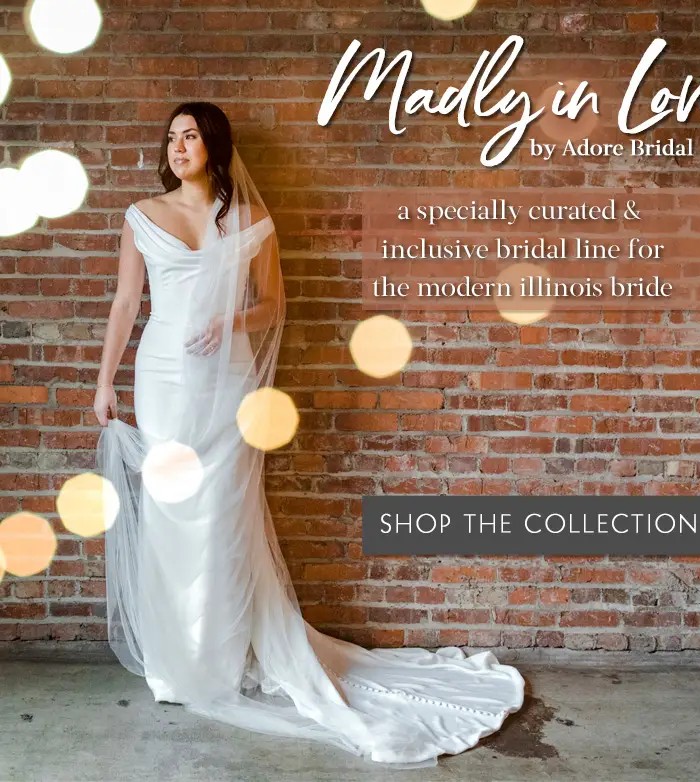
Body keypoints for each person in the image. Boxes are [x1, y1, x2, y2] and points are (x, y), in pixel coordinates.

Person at [94, 101, 525, 769]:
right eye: (172, 137)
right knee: (171, 512)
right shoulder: (142, 217)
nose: (179, 147)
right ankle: (176, 664)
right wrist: (103, 381)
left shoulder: (248, 221)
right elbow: (126, 302)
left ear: (214, 146)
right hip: (161, 379)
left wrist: (233, 325)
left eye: (191, 136)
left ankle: (223, 653)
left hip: (228, 378)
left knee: (221, 516)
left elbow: (274, 302)